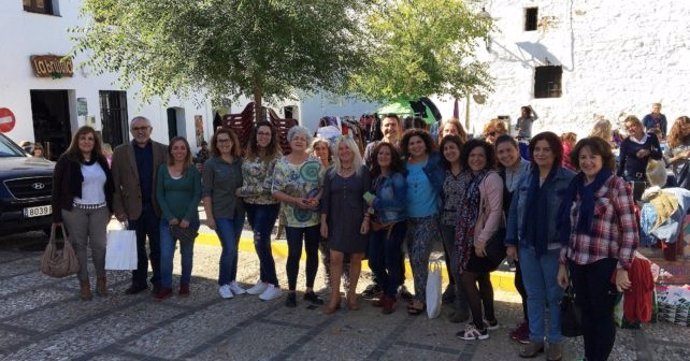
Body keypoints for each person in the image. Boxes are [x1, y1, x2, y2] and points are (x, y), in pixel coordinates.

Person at [557, 136, 639, 361]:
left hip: (603, 262)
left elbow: (630, 230)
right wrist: (563, 265)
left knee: (601, 315)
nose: (587, 161)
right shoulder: (576, 184)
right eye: (583, 157)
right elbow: (568, 229)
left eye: (593, 156)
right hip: (576, 259)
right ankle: (589, 356)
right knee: (585, 314)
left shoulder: (616, 185)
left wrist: (623, 267)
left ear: (603, 158)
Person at [505, 132, 575, 360]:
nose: (541, 154)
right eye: (537, 149)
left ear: (555, 152)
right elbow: (514, 211)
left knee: (554, 297)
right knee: (533, 296)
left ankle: (555, 341)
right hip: (527, 247)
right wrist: (511, 243)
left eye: (546, 149)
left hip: (554, 248)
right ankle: (536, 339)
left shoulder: (569, 179)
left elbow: (572, 218)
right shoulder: (526, 177)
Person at [51, 126, 114, 301]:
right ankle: (84, 283)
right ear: (76, 141)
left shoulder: (101, 159)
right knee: (79, 247)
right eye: (83, 138)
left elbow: (110, 186)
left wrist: (112, 208)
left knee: (99, 247)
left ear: (95, 142)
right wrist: (56, 217)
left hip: (100, 209)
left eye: (90, 139)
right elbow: (56, 189)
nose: (86, 142)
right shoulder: (66, 160)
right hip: (75, 210)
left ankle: (101, 279)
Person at [111, 116, 168, 295]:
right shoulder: (120, 152)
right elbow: (114, 184)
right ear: (131, 131)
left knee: (158, 248)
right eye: (136, 128)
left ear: (151, 130)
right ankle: (139, 281)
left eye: (144, 128)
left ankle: (159, 280)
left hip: (156, 207)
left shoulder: (163, 150)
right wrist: (118, 209)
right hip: (132, 209)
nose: (140, 131)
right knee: (136, 248)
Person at [271, 126, 324, 308]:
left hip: (312, 217)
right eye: (296, 138)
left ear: (307, 142)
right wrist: (294, 200)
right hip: (292, 217)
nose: (299, 140)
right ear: (290, 141)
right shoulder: (282, 163)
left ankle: (309, 290)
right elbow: (275, 191)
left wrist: (316, 199)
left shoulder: (315, 163)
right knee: (294, 253)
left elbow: (324, 186)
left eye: (303, 138)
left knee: (312, 253)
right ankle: (292, 291)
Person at [455, 139, 502, 341]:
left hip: (483, 239)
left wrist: (481, 240)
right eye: (472, 155)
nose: (476, 159)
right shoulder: (475, 177)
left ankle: (478, 326)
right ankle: (490, 319)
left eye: (480, 155)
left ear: (488, 158)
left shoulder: (491, 178)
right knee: (482, 277)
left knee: (467, 277)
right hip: (472, 238)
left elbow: (495, 211)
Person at [320, 136, 370, 313]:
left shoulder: (363, 171)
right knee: (335, 259)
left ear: (354, 150)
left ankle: (352, 295)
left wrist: (367, 219)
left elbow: (368, 198)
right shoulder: (331, 173)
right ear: (337, 152)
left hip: (357, 222)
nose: (344, 152)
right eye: (341, 149)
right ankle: (334, 298)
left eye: (347, 148)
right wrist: (323, 221)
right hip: (336, 222)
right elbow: (325, 198)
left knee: (356, 259)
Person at [236, 121, 284, 301]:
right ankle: (264, 280)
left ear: (272, 137)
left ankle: (274, 284)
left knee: (259, 241)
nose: (263, 137)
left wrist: (241, 191)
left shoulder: (276, 157)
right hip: (250, 205)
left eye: (267, 134)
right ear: (255, 135)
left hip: (267, 204)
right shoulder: (250, 154)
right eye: (260, 133)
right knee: (261, 242)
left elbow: (268, 187)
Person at [401, 129, 444, 315]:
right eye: (411, 143)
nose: (416, 146)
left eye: (419, 142)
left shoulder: (435, 161)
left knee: (419, 255)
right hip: (408, 218)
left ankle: (420, 299)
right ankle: (423, 292)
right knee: (414, 257)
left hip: (430, 216)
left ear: (426, 143)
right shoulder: (403, 165)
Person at [494, 134, 531, 344]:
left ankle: (532, 325)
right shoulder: (502, 173)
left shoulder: (530, 170)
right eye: (501, 152)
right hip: (512, 233)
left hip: (526, 235)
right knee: (523, 280)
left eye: (509, 150)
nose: (506, 155)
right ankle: (531, 321)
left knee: (524, 282)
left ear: (517, 149)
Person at [155, 137, 202, 300]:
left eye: (182, 148)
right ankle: (166, 286)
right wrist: (170, 217)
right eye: (176, 148)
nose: (179, 151)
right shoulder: (162, 169)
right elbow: (159, 194)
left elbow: (197, 195)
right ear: (170, 151)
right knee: (166, 254)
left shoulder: (193, 170)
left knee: (187, 254)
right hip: (167, 221)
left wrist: (187, 217)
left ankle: (185, 283)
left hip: (189, 221)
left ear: (187, 150)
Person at [202, 129, 246, 299]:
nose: (224, 144)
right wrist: (209, 217)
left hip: (238, 211)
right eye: (220, 141)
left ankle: (232, 280)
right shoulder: (211, 164)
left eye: (227, 140)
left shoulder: (239, 162)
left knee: (234, 247)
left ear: (233, 142)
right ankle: (223, 283)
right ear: (216, 144)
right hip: (220, 212)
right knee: (228, 247)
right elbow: (206, 191)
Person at [367, 142, 407, 314]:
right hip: (377, 225)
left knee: (392, 261)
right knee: (374, 261)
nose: (383, 156)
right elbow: (366, 197)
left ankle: (390, 296)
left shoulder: (397, 178)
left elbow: (400, 204)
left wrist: (376, 202)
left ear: (392, 158)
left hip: (395, 224)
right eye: (380, 154)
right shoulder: (374, 177)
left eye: (387, 154)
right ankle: (389, 290)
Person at [311, 137, 350, 290]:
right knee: (326, 251)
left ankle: (346, 281)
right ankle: (331, 283)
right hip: (318, 216)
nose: (320, 152)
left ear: (329, 151)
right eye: (317, 149)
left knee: (344, 249)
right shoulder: (310, 168)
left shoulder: (336, 168)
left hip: (339, 215)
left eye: (323, 148)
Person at [439, 135, 470, 322]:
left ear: (460, 149)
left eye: (453, 147)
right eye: (446, 149)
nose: (449, 151)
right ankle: (461, 301)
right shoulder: (443, 172)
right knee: (453, 264)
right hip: (447, 223)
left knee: (460, 265)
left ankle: (463, 307)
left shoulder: (470, 171)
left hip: (466, 225)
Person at [618, 115, 662, 183]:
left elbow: (659, 155)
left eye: (633, 125)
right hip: (631, 177)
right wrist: (618, 178)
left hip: (650, 177)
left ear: (640, 125)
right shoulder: (625, 143)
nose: (630, 129)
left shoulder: (652, 137)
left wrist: (648, 152)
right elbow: (621, 162)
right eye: (627, 127)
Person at [664, 116, 690, 180]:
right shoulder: (671, 142)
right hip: (681, 177)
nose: (687, 131)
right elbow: (665, 162)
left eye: (689, 128)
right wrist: (680, 156)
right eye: (684, 129)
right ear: (678, 129)